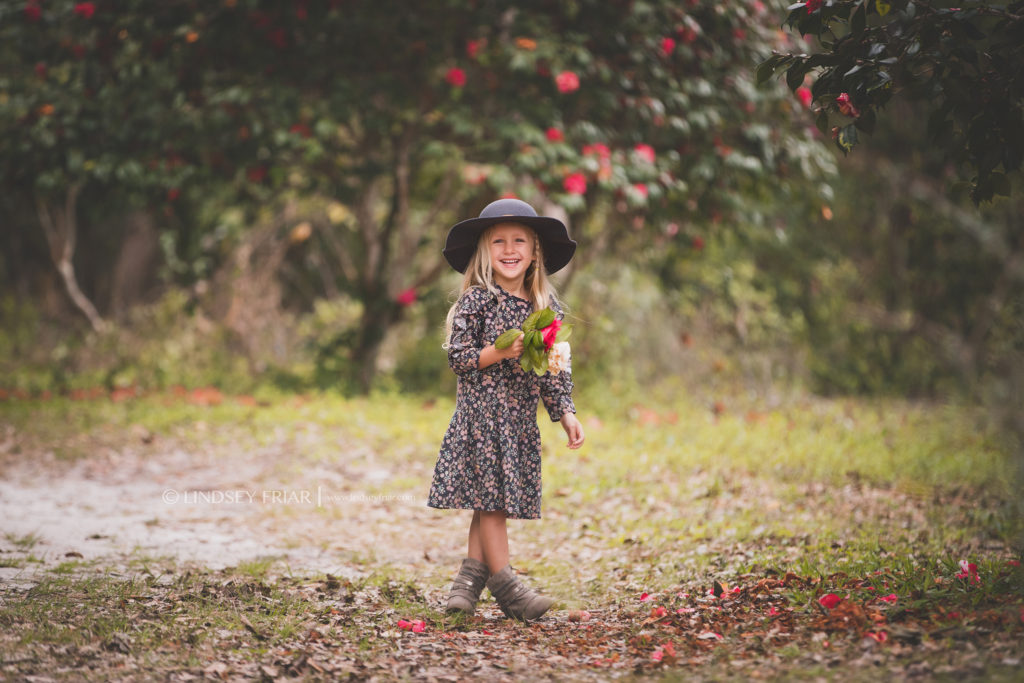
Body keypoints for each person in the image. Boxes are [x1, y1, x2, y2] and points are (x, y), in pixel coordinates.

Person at [427, 198, 585, 622]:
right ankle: (509, 588)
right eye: (499, 241)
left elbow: (553, 370)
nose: (509, 249)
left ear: (535, 252)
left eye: (519, 241)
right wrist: (499, 351)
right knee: (493, 503)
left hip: (517, 422)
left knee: (488, 500)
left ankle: (466, 586)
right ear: (484, 250)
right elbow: (459, 358)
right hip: (481, 420)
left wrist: (565, 412)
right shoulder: (478, 301)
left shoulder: (543, 311)